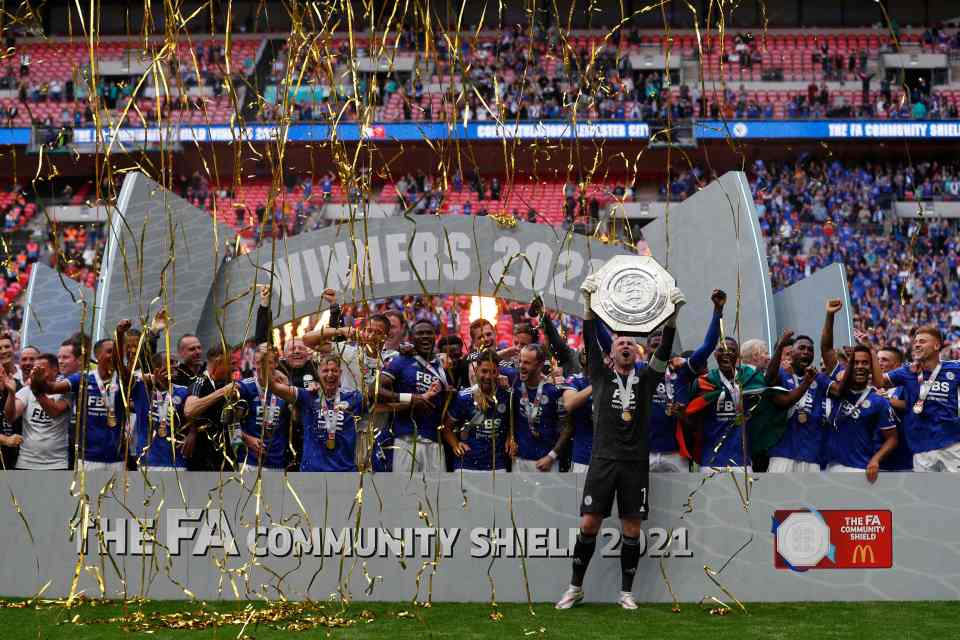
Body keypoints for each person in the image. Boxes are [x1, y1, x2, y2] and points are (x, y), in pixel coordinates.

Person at [555, 274, 682, 611]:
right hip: (603, 460)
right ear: (611, 352)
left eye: (630, 343)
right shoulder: (599, 374)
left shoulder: (647, 378)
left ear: (636, 351)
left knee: (631, 527)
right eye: (619, 343)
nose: (625, 345)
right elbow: (588, 337)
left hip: (635, 462)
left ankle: (626, 592)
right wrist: (587, 306)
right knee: (589, 523)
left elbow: (665, 351)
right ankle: (575, 587)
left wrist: (672, 320)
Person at [648, 289, 726, 472]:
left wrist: (718, 311)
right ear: (646, 349)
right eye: (654, 346)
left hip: (677, 453)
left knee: (681, 500)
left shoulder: (681, 373)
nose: (660, 350)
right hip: (645, 452)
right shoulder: (640, 374)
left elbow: (707, 347)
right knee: (642, 500)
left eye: (663, 346)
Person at [765, 300, 842, 472]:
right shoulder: (782, 376)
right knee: (778, 499)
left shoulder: (819, 378)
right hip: (782, 453)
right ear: (791, 352)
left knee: (808, 499)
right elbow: (769, 379)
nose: (806, 352)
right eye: (801, 348)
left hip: (811, 455)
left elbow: (839, 390)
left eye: (810, 350)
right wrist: (779, 346)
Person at [46, 322, 131, 472]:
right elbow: (52, 389)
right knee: (86, 496)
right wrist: (37, 383)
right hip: (88, 457)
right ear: (97, 355)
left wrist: (119, 333)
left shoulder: (124, 379)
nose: (114, 356)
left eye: (116, 352)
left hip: (117, 457)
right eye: (109, 352)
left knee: (118, 496)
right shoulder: (82, 378)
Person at [878, 326, 960, 472]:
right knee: (926, 494)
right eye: (915, 342)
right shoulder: (906, 371)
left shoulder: (954, 368)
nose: (916, 344)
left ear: (936, 345)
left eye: (922, 341)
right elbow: (878, 381)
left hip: (952, 445)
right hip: (920, 449)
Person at [270, 354, 366, 472]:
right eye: (325, 370)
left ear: (340, 373)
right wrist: (271, 367)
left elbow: (379, 402)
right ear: (318, 374)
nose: (330, 374)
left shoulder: (354, 398)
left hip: (345, 471)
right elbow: (273, 387)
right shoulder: (308, 396)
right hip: (312, 471)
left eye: (334, 370)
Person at [375, 319, 446, 472]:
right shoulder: (401, 361)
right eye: (420, 333)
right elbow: (373, 389)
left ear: (435, 337)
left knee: (436, 494)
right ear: (411, 338)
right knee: (404, 493)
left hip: (435, 442)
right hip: (406, 440)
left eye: (429, 333)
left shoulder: (443, 367)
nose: (425, 337)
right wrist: (411, 399)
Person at [824, 346, 897, 482]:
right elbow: (826, 349)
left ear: (871, 367)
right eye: (855, 362)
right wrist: (830, 322)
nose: (860, 366)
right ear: (849, 366)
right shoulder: (836, 391)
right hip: (829, 467)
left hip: (859, 470)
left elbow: (892, 438)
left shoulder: (879, 401)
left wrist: (875, 459)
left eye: (865, 363)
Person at [443, 350, 517, 472]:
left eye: (493, 372)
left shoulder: (506, 395)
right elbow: (446, 428)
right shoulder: (464, 397)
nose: (488, 376)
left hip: (497, 465)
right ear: (476, 370)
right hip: (467, 464)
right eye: (484, 371)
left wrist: (510, 437)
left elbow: (512, 423)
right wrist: (455, 444)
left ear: (498, 372)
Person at [3, 354, 70, 470]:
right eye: (35, 369)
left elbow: (53, 411)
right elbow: (10, 417)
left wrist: (36, 390)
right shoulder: (26, 391)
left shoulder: (65, 391)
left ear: (55, 370)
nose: (36, 372)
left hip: (57, 463)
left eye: (41, 369)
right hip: (26, 461)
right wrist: (11, 394)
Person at [512, 344, 567, 472]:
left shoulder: (554, 390)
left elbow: (567, 428)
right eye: (520, 361)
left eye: (526, 363)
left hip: (547, 462)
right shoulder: (514, 381)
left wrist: (552, 456)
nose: (521, 366)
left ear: (539, 365)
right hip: (520, 460)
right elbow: (485, 362)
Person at [235, 345, 289, 472]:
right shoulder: (244, 388)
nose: (263, 367)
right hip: (250, 461)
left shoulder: (284, 388)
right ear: (254, 363)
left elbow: (295, 418)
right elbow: (228, 423)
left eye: (268, 362)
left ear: (276, 363)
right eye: (259, 363)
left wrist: (288, 388)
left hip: (278, 461)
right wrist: (246, 438)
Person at [131, 353, 190, 470]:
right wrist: (151, 377)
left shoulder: (184, 391)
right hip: (147, 462)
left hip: (176, 463)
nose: (176, 366)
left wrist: (192, 432)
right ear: (157, 369)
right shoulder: (141, 389)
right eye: (171, 362)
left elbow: (193, 418)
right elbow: (124, 378)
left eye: (176, 362)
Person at [183, 344, 236, 472]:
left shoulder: (225, 383)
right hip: (203, 457)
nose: (232, 368)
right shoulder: (199, 382)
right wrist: (222, 392)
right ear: (218, 362)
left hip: (224, 454)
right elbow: (189, 411)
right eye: (230, 363)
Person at [875, 344, 912, 472]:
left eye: (884, 360)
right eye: (877, 359)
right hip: (875, 458)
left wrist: (887, 400)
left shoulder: (906, 386)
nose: (879, 363)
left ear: (897, 366)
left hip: (903, 459)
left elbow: (913, 407)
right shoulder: (868, 387)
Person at [561, 351, 592, 473]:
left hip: (609, 456)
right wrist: (597, 383)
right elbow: (568, 404)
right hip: (582, 457)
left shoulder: (613, 380)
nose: (587, 354)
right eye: (585, 352)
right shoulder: (574, 380)